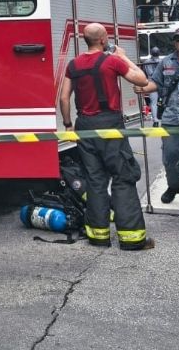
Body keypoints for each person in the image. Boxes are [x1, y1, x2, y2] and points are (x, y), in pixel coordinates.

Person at [59, 23, 154, 251]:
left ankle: (98, 236)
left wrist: (68, 125)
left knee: (95, 180)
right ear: (103, 40)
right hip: (110, 125)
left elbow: (64, 98)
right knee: (123, 177)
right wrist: (124, 57)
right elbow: (141, 80)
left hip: (84, 127)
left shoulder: (74, 64)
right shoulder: (112, 60)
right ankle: (132, 238)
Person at [148, 25, 179, 203]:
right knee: (169, 157)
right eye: (178, 40)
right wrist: (142, 87)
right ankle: (174, 186)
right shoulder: (166, 62)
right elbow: (155, 82)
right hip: (171, 118)